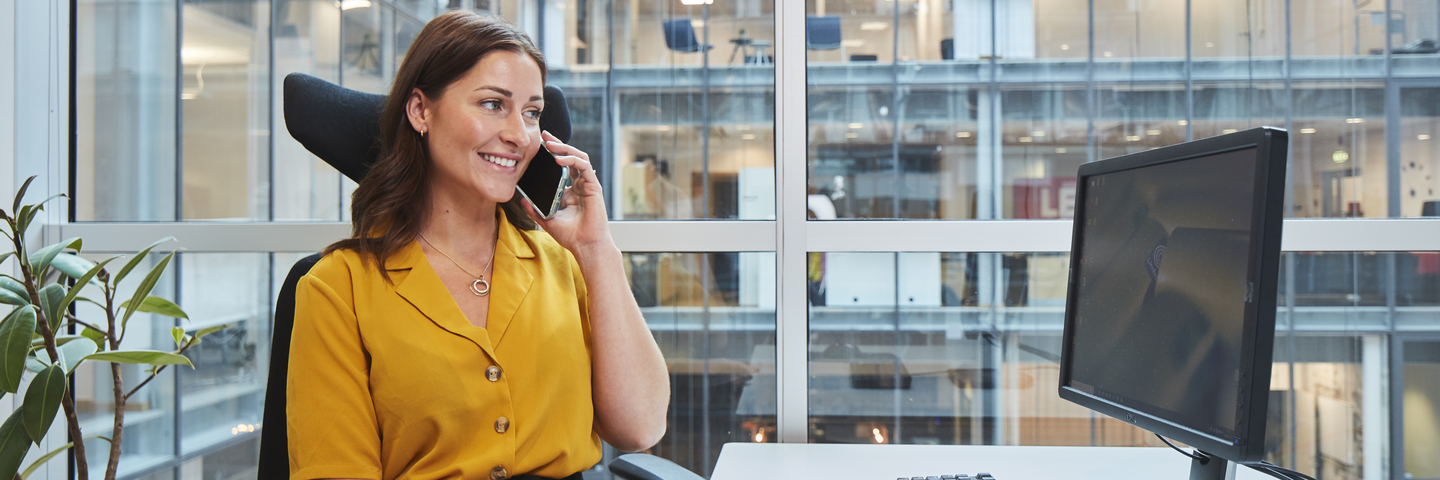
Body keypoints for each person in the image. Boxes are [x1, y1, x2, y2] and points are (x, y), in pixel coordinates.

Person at [286, 11, 669, 480]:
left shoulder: (563, 265)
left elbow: (640, 427)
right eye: (493, 104)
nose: (519, 135)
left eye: (531, 112)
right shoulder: (337, 287)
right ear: (420, 111)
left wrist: (596, 251)